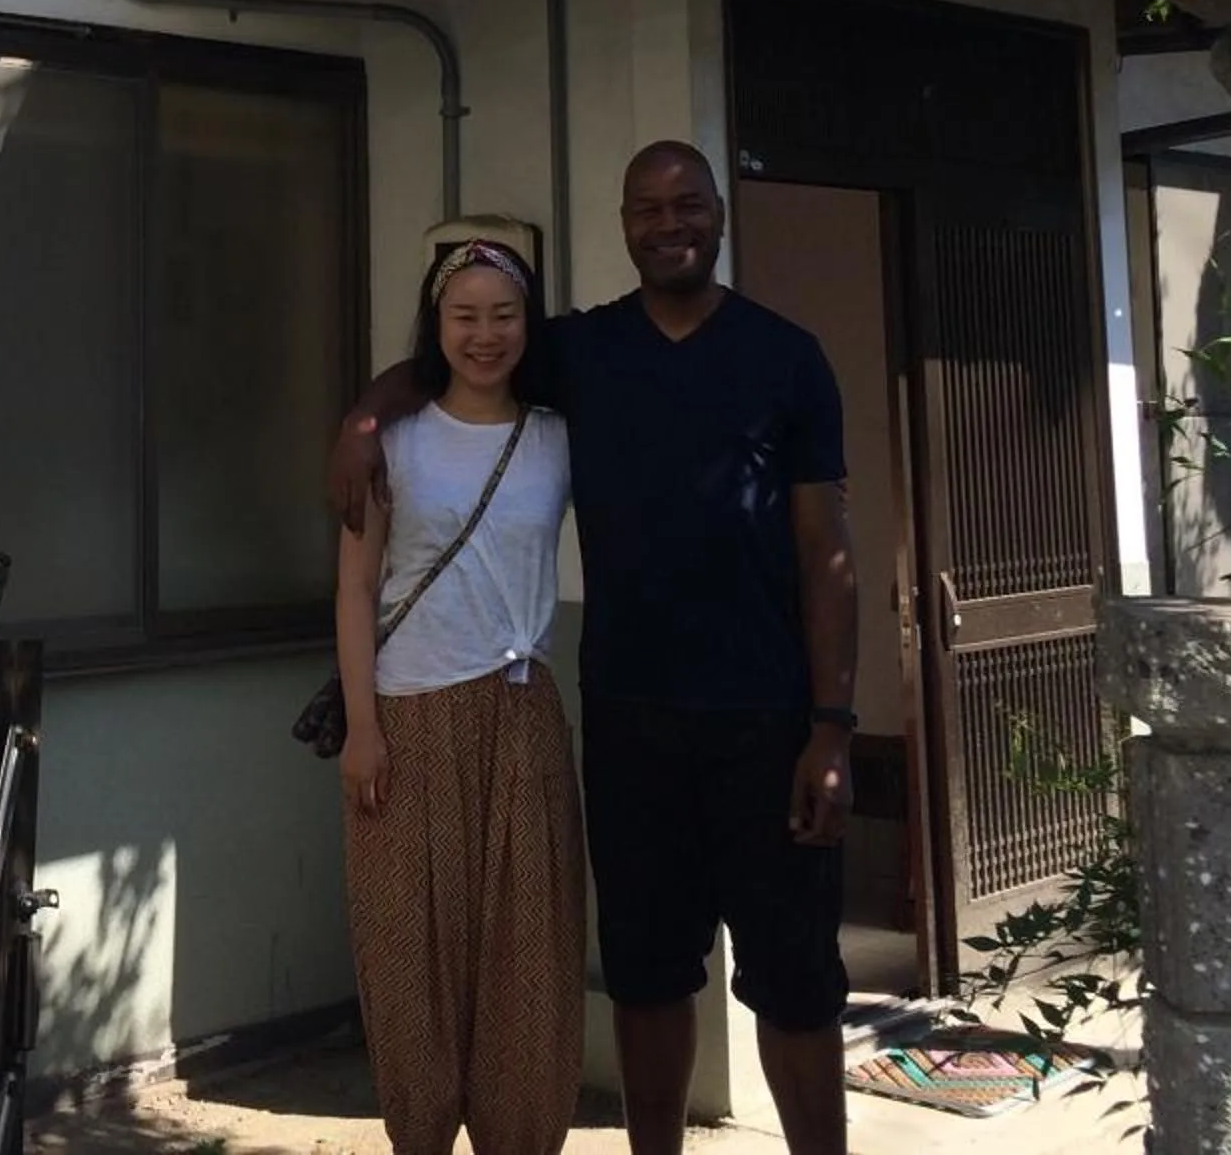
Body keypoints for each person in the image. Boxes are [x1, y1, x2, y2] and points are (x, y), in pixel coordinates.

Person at [331, 145, 859, 1155]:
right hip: (630, 716)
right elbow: (449, 354)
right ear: (623, 224)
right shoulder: (583, 351)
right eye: (647, 208)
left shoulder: (787, 357)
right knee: (648, 972)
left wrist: (832, 729)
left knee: (795, 977)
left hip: (769, 716)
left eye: (688, 204)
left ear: (718, 214)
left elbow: (827, 553)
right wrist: (361, 421)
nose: (670, 223)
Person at [337, 236, 582, 1155]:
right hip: (407, 714)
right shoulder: (392, 443)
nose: (485, 335)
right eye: (464, 315)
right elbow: (356, 588)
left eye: (504, 314)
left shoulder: (559, 437)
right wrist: (362, 726)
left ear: (528, 324)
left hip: (522, 715)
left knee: (530, 958)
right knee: (412, 955)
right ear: (435, 326)